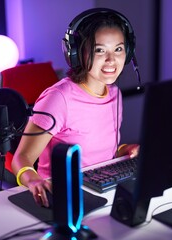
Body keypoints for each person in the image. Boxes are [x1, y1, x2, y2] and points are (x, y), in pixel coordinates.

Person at [12, 8, 139, 207]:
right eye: (99, 50)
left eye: (118, 49)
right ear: (78, 53)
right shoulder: (59, 98)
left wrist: (123, 150)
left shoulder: (115, 94)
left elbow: (102, 152)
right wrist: (33, 180)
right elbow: (21, 157)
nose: (111, 60)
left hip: (104, 190)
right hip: (63, 195)